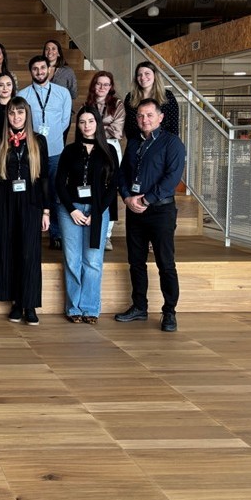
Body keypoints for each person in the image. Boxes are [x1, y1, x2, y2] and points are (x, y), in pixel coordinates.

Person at [115, 98, 186, 332]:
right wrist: (127, 198)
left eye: (149, 115)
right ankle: (139, 307)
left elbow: (172, 178)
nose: (144, 119)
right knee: (136, 262)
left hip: (160, 211)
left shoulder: (172, 143)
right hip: (135, 210)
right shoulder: (134, 142)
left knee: (165, 263)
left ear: (160, 117)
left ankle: (169, 312)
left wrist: (146, 200)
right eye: (140, 116)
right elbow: (122, 174)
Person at [0, 97, 50, 325]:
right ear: (7, 116)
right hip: (5, 203)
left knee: (29, 253)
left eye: (20, 113)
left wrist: (46, 211)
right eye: (12, 113)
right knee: (10, 251)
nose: (16, 117)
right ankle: (15, 302)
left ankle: (29, 304)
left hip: (31, 203)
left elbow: (44, 178)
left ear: (27, 115)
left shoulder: (39, 141)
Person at [55, 106, 119, 323]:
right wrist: (71, 210)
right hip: (70, 210)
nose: (86, 125)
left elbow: (113, 186)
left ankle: (90, 308)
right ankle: (74, 308)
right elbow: (59, 183)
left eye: (90, 121)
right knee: (72, 260)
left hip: (97, 210)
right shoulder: (69, 151)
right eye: (82, 122)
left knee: (93, 260)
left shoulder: (109, 150)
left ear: (97, 123)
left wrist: (97, 213)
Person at [18, 54, 71, 250]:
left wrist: (51, 136)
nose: (39, 72)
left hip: (56, 151)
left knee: (56, 192)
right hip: (32, 152)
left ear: (49, 69)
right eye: (35, 69)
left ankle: (56, 234)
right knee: (32, 191)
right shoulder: (23, 95)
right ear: (30, 72)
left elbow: (64, 122)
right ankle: (31, 232)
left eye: (42, 68)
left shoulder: (63, 93)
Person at [85, 71, 125, 249]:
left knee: (109, 189)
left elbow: (118, 131)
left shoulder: (117, 104)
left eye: (106, 84)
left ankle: (107, 234)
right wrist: (105, 125)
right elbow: (84, 129)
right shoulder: (87, 104)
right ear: (94, 85)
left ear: (111, 87)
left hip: (110, 148)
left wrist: (95, 128)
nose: (102, 87)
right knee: (93, 187)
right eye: (98, 83)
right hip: (91, 148)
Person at [123, 61, 180, 140]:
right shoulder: (130, 97)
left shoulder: (167, 96)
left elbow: (173, 125)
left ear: (155, 76)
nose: (143, 77)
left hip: (162, 142)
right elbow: (128, 125)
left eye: (147, 73)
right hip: (137, 141)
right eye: (139, 75)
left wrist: (170, 143)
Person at [43, 39, 77, 104]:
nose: (50, 51)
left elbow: (73, 94)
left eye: (53, 49)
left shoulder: (67, 71)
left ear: (58, 53)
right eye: (47, 49)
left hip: (61, 108)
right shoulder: (39, 70)